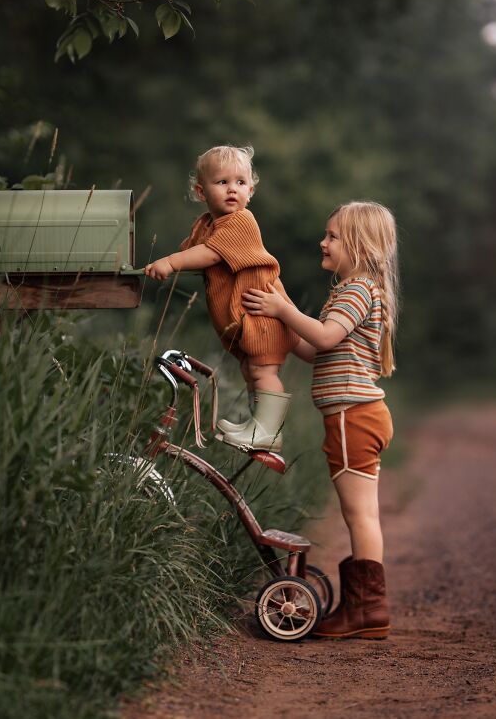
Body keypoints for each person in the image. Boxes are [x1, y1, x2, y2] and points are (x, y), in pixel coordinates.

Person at [236, 201, 399, 639]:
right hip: (356, 417)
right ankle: (364, 607)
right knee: (360, 513)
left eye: (332, 236)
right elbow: (316, 350)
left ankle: (367, 610)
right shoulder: (352, 291)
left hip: (353, 417)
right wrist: (282, 322)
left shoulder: (356, 290)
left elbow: (325, 335)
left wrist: (285, 311)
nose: (322, 242)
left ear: (360, 246)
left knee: (361, 515)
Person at [144, 145, 299, 453]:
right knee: (251, 371)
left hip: (264, 313)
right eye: (222, 182)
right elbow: (195, 247)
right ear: (201, 191)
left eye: (240, 183)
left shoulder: (242, 221)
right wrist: (176, 257)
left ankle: (269, 431)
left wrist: (172, 262)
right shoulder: (208, 224)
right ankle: (258, 425)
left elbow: (210, 253)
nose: (232, 190)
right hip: (247, 322)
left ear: (251, 191)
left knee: (264, 372)